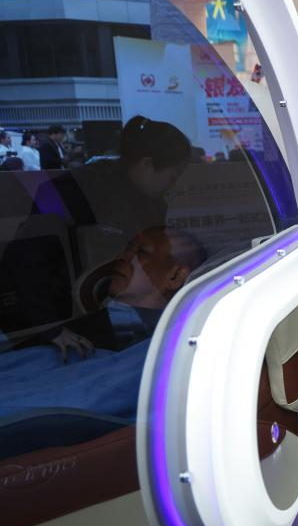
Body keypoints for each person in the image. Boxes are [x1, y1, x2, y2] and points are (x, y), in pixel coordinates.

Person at [23, 226, 205, 360]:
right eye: (128, 248)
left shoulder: (180, 347)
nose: (121, 257)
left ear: (175, 276)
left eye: (141, 252)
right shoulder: (70, 336)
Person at [38, 116, 191, 238]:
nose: (173, 186)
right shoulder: (79, 189)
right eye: (173, 177)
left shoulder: (153, 202)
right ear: (147, 164)